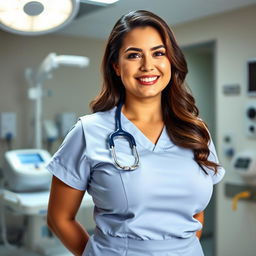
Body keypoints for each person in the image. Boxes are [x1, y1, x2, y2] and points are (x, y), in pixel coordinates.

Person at [46, 10, 225, 256]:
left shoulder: (196, 130)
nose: (147, 66)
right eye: (133, 55)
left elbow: (195, 214)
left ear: (171, 61)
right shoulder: (89, 131)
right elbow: (59, 218)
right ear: (117, 67)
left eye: (158, 53)